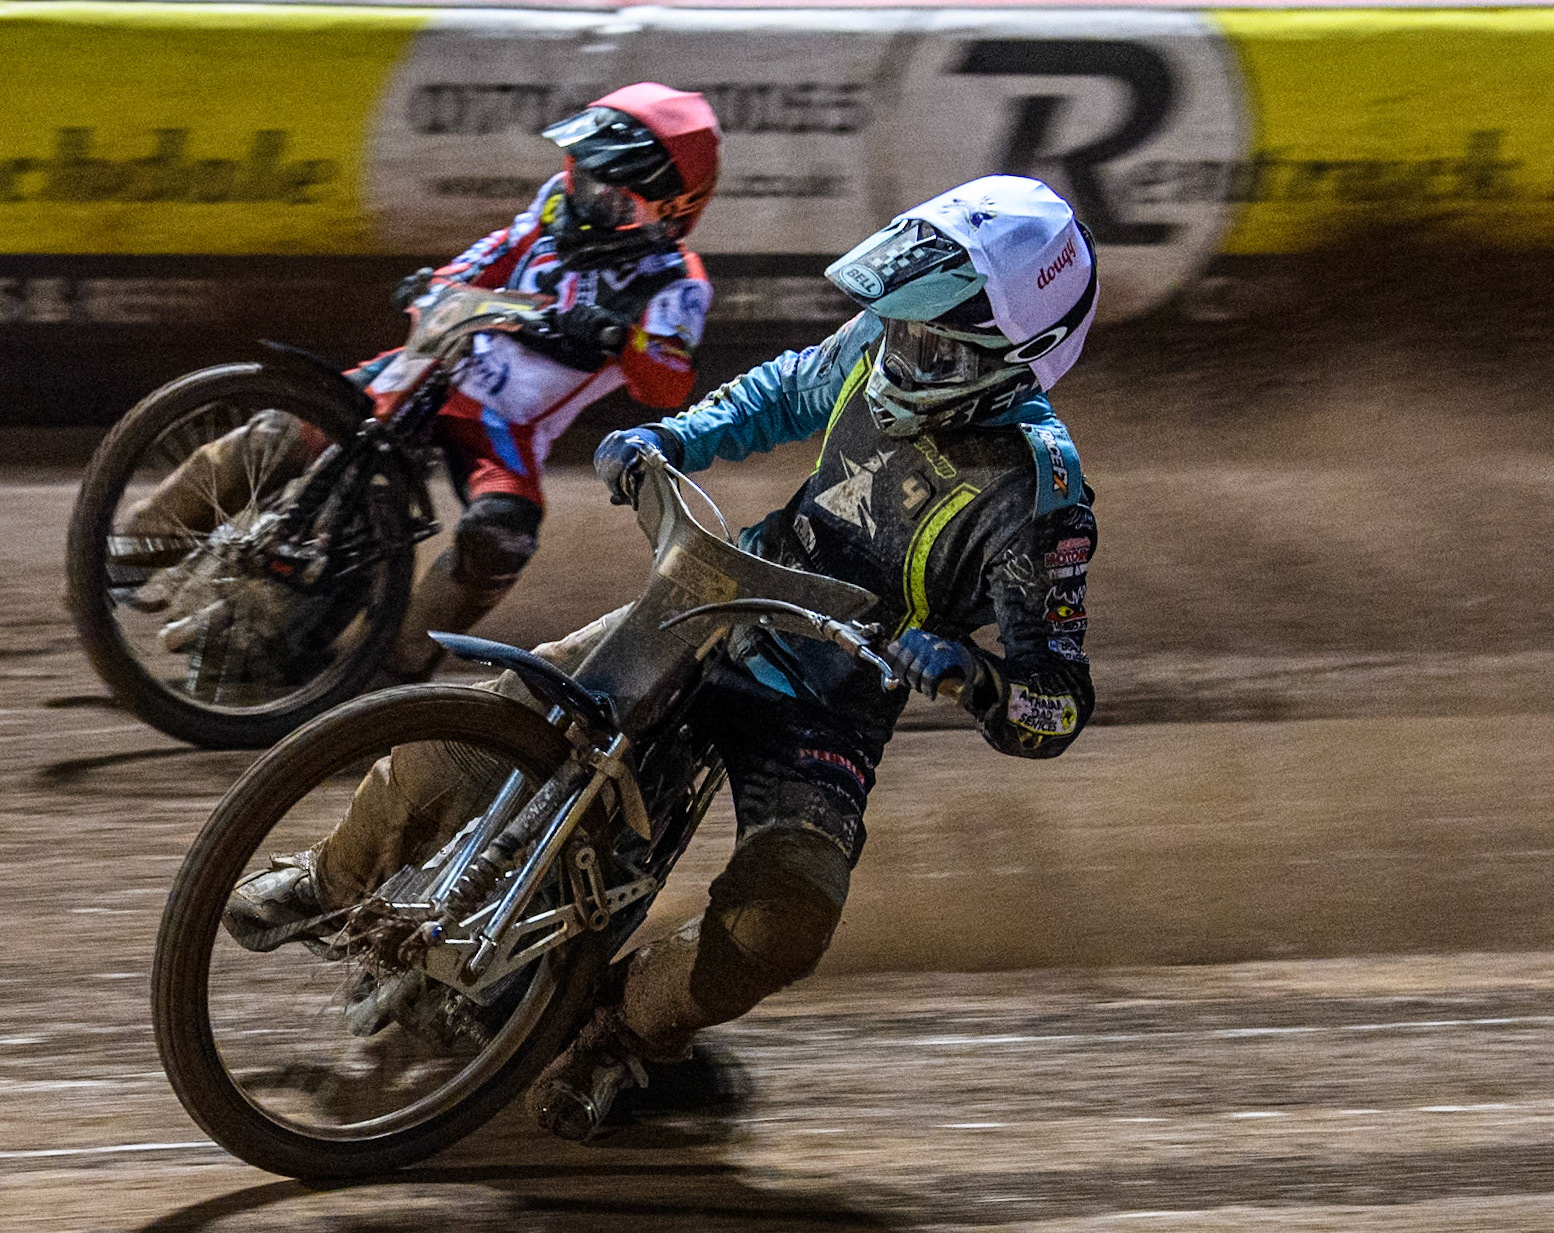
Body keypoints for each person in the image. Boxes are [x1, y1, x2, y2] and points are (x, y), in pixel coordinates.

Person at [224, 175, 1102, 1140]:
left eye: (930, 341)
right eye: (895, 324)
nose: (897, 349)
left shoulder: (1041, 503)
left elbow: (1052, 704)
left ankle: (622, 1033)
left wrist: (972, 677)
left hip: (830, 699)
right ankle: (327, 877)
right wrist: (673, 434)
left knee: (782, 923)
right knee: (488, 720)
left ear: (1017, 360)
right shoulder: (875, 346)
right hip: (723, 595)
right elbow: (781, 390)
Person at [118, 83, 720, 683]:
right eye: (584, 177)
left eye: (613, 194)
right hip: (436, 364)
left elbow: (666, 384)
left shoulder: (678, 284)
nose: (588, 198)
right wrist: (437, 283)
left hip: (502, 426)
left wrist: (621, 339)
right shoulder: (557, 205)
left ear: (672, 208)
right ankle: (132, 548)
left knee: (502, 535)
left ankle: (390, 676)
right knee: (286, 429)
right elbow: (492, 255)